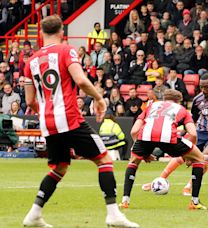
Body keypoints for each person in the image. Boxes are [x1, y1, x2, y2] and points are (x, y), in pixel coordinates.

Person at [22, 15, 138, 228]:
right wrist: (98, 98)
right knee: (104, 160)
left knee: (59, 167)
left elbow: (29, 100)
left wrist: (47, 113)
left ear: (40, 33)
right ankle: (113, 214)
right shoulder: (67, 51)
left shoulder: (30, 61)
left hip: (48, 123)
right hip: (69, 118)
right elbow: (81, 80)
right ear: (61, 33)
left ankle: (33, 214)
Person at [141, 73, 208, 195]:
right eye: (201, 87)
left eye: (206, 87)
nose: (203, 90)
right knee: (180, 155)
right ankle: (160, 179)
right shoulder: (197, 100)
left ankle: (189, 186)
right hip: (199, 132)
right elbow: (192, 119)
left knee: (204, 158)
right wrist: (186, 132)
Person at [120, 89, 207, 210]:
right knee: (200, 159)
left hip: (145, 137)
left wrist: (144, 153)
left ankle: (125, 201)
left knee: (133, 163)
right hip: (169, 138)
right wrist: (188, 157)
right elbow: (193, 134)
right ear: (179, 100)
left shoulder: (151, 106)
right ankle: (194, 202)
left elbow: (134, 131)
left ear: (164, 98)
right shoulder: (182, 109)